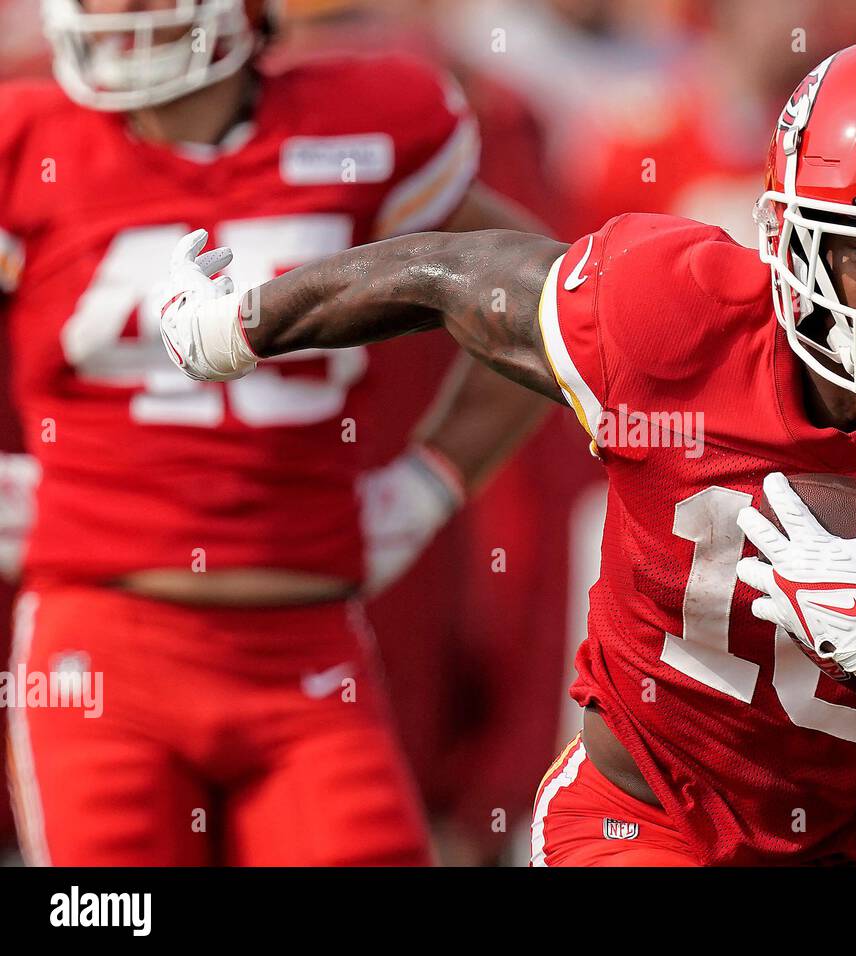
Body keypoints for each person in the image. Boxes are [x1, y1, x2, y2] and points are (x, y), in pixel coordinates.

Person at [157, 34, 856, 867]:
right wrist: (244, 321)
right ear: (790, 235)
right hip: (642, 821)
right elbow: (447, 274)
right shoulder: (669, 312)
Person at [0, 0, 548, 865]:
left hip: (306, 648)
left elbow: (545, 300)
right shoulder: (26, 137)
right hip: (102, 651)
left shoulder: (366, 122)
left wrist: (433, 478)